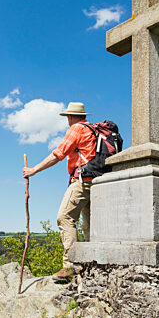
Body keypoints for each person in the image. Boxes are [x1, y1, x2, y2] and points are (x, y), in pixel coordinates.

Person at [22, 101, 96, 280]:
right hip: (98, 182)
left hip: (81, 180)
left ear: (70, 117)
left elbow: (59, 154)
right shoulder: (93, 130)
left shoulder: (77, 129)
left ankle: (70, 266)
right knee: (89, 226)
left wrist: (34, 170)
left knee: (64, 217)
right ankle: (92, 265)